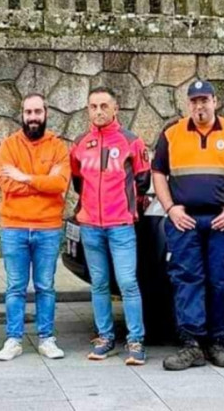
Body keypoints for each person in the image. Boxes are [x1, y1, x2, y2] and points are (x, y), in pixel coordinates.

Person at [153, 80, 224, 371]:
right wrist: (170, 208)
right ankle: (191, 344)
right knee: (187, 280)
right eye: (194, 101)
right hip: (184, 221)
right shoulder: (172, 134)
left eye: (204, 100)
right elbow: (158, 172)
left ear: (215, 101)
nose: (200, 106)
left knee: (220, 279)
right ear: (188, 104)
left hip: (221, 221)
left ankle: (215, 342)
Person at [69, 87, 150, 365]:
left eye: (104, 105)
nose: (99, 111)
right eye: (93, 106)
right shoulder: (80, 143)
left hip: (121, 226)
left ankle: (136, 340)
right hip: (90, 225)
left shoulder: (132, 141)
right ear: (88, 110)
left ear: (116, 108)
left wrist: (129, 209)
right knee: (99, 284)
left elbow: (142, 180)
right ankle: (105, 337)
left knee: (127, 283)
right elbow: (78, 182)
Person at [0, 94, 70, 361]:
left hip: (48, 228)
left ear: (46, 113)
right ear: (22, 115)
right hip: (14, 227)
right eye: (28, 112)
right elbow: (5, 182)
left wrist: (25, 177)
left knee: (45, 286)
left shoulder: (58, 147)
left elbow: (60, 184)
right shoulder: (8, 145)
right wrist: (42, 181)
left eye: (38, 111)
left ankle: (46, 338)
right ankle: (13, 339)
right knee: (15, 286)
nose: (33, 117)